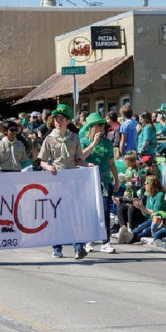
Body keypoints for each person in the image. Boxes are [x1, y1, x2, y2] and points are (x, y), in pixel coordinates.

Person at [38, 104, 88, 260]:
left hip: (72, 181)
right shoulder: (50, 139)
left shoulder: (74, 137)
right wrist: (48, 167)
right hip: (56, 180)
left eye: (61, 119)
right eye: (55, 119)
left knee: (73, 215)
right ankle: (57, 247)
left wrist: (88, 165)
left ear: (67, 121)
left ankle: (78, 247)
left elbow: (78, 160)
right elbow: (42, 161)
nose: (57, 122)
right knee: (57, 215)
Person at [80, 112, 120, 254]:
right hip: (89, 181)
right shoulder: (84, 141)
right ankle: (89, 240)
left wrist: (116, 178)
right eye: (98, 124)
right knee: (90, 211)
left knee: (104, 211)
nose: (102, 127)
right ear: (91, 127)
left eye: (102, 124)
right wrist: (93, 143)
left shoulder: (108, 143)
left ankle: (105, 241)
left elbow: (111, 163)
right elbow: (80, 158)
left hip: (104, 180)